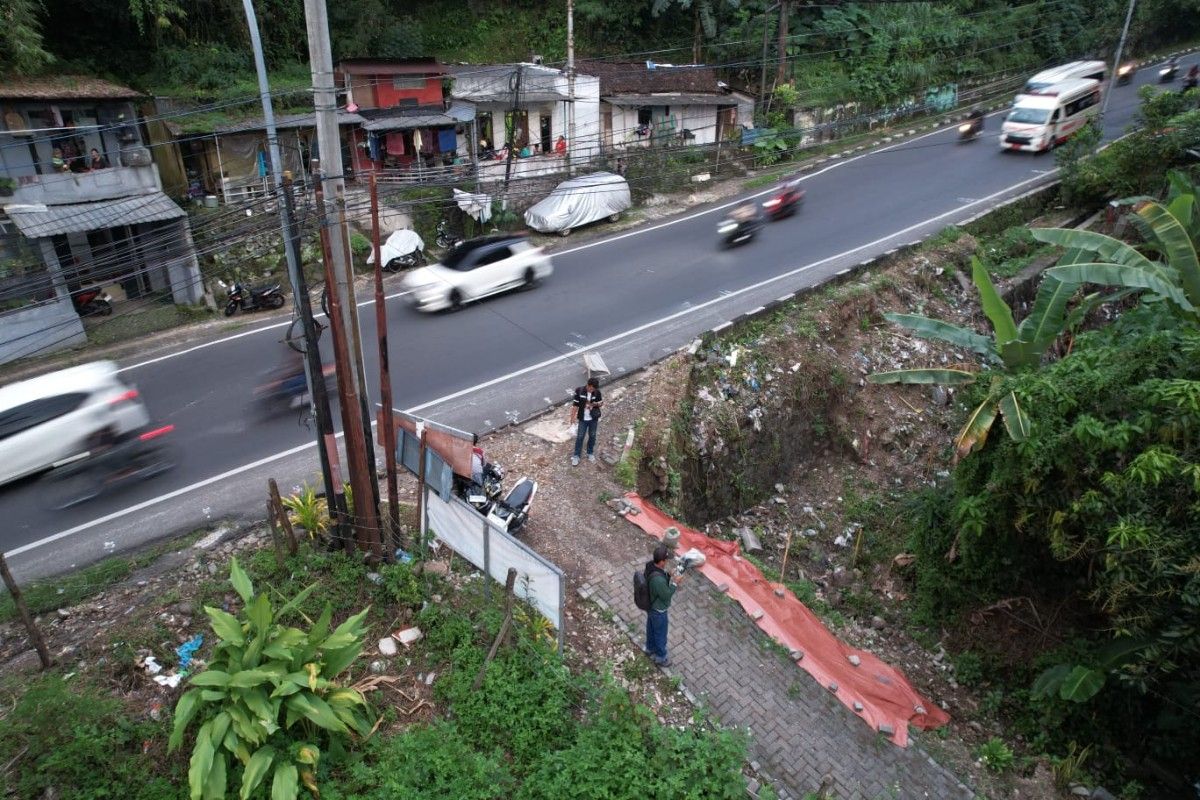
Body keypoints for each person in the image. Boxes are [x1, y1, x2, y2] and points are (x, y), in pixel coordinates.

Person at [644, 544, 684, 667]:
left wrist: (668, 574)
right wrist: (675, 583)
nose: (667, 562)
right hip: (658, 610)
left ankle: (650, 648)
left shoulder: (650, 566)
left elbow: (659, 578)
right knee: (660, 634)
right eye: (666, 560)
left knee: (651, 629)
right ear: (661, 561)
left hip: (650, 606)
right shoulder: (658, 581)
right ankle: (661, 657)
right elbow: (666, 595)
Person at [569, 378, 603, 466]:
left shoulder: (597, 392)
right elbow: (575, 405)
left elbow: (601, 403)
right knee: (580, 436)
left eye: (593, 389)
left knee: (592, 436)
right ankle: (576, 456)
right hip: (583, 419)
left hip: (593, 419)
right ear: (587, 385)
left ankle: (590, 453)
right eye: (590, 388)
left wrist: (593, 405)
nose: (591, 390)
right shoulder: (579, 391)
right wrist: (572, 418)